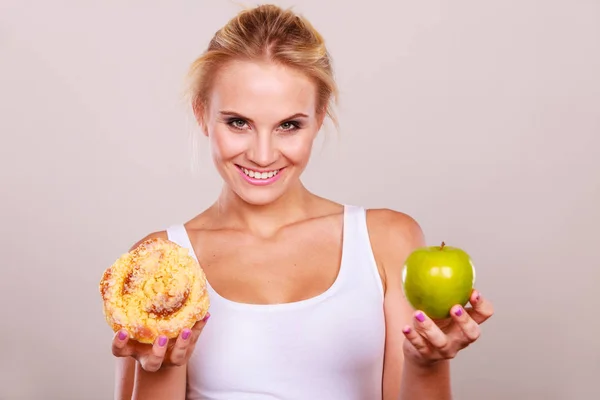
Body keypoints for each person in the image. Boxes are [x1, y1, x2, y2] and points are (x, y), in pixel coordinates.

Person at [109, 4, 494, 400]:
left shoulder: (387, 240)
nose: (262, 155)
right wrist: (164, 366)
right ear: (202, 114)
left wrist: (427, 362)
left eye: (288, 125)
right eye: (238, 122)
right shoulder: (159, 263)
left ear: (319, 117)